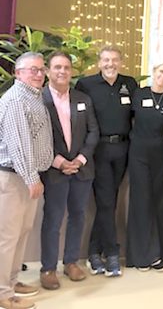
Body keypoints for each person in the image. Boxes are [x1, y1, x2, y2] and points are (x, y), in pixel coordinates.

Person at [75, 46, 137, 277]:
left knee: (108, 202)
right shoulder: (86, 85)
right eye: (106, 60)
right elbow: (79, 119)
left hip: (122, 149)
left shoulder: (129, 84)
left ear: (121, 62)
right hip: (98, 150)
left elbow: (136, 116)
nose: (111, 64)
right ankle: (111, 254)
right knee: (106, 201)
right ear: (99, 63)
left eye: (115, 60)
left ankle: (93, 252)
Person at [40, 52, 100, 290]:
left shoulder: (82, 98)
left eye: (66, 67)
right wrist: (59, 162)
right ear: (48, 71)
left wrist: (81, 159)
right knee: (53, 219)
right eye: (57, 67)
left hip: (82, 169)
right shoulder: (39, 99)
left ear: (71, 71)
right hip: (55, 170)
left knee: (78, 216)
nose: (62, 71)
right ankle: (48, 268)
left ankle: (71, 262)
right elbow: (38, 137)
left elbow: (93, 131)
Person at [0, 52, 53, 309]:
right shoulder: (15, 100)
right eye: (33, 69)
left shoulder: (34, 97)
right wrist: (32, 179)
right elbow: (18, 145)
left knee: (21, 233)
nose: (39, 74)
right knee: (7, 238)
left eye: (41, 69)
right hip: (14, 177)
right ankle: (2, 293)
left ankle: (11, 281)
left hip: (26, 177)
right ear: (18, 73)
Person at [126, 60, 163, 271]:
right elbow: (127, 120)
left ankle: (161, 252)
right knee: (141, 202)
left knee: (161, 202)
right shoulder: (138, 94)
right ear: (154, 72)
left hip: (161, 155)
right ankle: (142, 256)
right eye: (161, 71)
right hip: (138, 154)